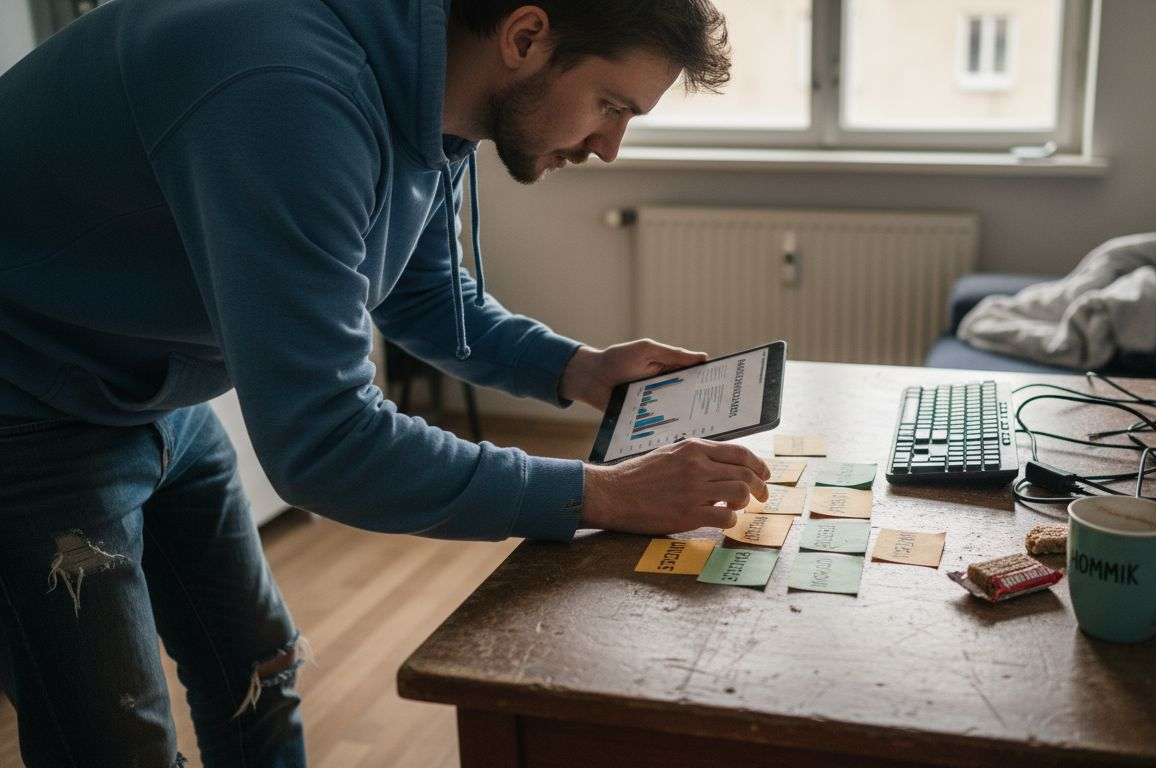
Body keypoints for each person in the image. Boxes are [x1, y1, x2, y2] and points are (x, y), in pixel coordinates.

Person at [0, 0, 769, 765]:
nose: (610, 147)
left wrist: (579, 370)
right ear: (526, 36)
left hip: (146, 376)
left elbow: (418, 292)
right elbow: (327, 443)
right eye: (612, 106)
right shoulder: (290, 91)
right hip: (24, 399)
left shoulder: (435, 90)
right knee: (116, 746)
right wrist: (601, 494)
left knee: (260, 675)